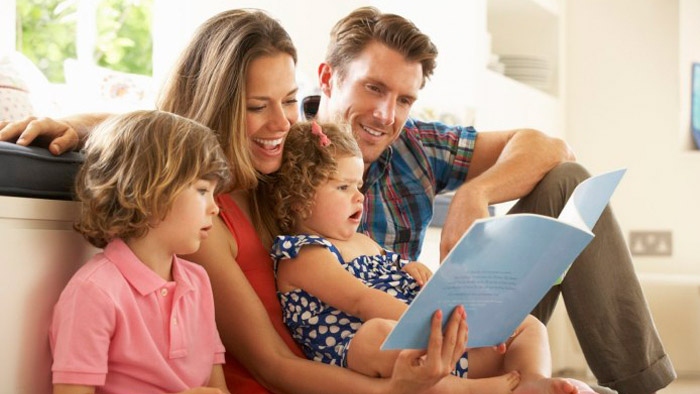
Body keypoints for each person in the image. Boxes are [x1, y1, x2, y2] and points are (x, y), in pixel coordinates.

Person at [0, 9, 469, 394]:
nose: (282, 123)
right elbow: (271, 365)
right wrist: (80, 126)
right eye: (256, 106)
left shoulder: (279, 173)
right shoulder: (198, 218)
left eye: (288, 100)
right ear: (219, 104)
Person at [300, 6, 675, 394]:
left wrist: (475, 193)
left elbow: (551, 147)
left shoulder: (415, 145)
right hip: (366, 357)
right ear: (328, 78)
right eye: (374, 88)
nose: (385, 115)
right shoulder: (283, 158)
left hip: (453, 332)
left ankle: (637, 387)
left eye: (404, 100)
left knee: (568, 181)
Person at [269, 120, 599, 394]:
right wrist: (434, 326)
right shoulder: (304, 254)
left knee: (528, 325)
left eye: (358, 185)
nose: (358, 196)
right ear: (299, 200)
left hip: (432, 340)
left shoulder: (362, 241)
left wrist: (413, 269)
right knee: (377, 334)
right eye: (342, 188)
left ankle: (531, 382)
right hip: (379, 354)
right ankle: (463, 390)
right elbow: (361, 301)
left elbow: (394, 268)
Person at [50, 110, 231, 394]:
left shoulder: (198, 282)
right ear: (150, 191)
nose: (215, 207)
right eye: (201, 190)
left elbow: (218, 387)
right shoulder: (94, 292)